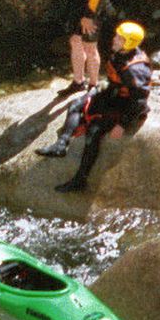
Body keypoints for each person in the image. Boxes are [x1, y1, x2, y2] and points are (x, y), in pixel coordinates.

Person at [37, 21, 150, 192]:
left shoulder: (135, 70)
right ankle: (61, 144)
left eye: (119, 38)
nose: (114, 39)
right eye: (117, 36)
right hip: (114, 94)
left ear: (128, 43)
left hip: (126, 106)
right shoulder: (122, 53)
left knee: (94, 131)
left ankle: (80, 180)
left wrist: (122, 125)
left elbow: (139, 101)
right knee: (76, 105)